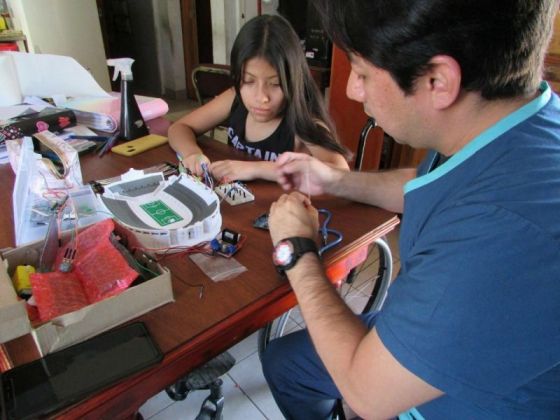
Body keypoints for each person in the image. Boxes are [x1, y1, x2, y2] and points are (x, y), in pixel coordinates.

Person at [262, 0, 560, 418]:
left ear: (438, 80)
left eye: (362, 73)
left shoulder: (504, 233)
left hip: (459, 403)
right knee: (286, 363)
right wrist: (335, 180)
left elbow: (367, 396)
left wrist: (296, 250)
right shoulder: (515, 121)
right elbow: (431, 186)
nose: (352, 89)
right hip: (444, 328)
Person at [168, 14, 349, 182]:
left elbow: (340, 173)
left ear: (293, 81)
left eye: (276, 83)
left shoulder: (304, 122)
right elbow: (179, 127)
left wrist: (259, 169)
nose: (261, 97)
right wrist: (192, 153)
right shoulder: (235, 98)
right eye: (248, 81)